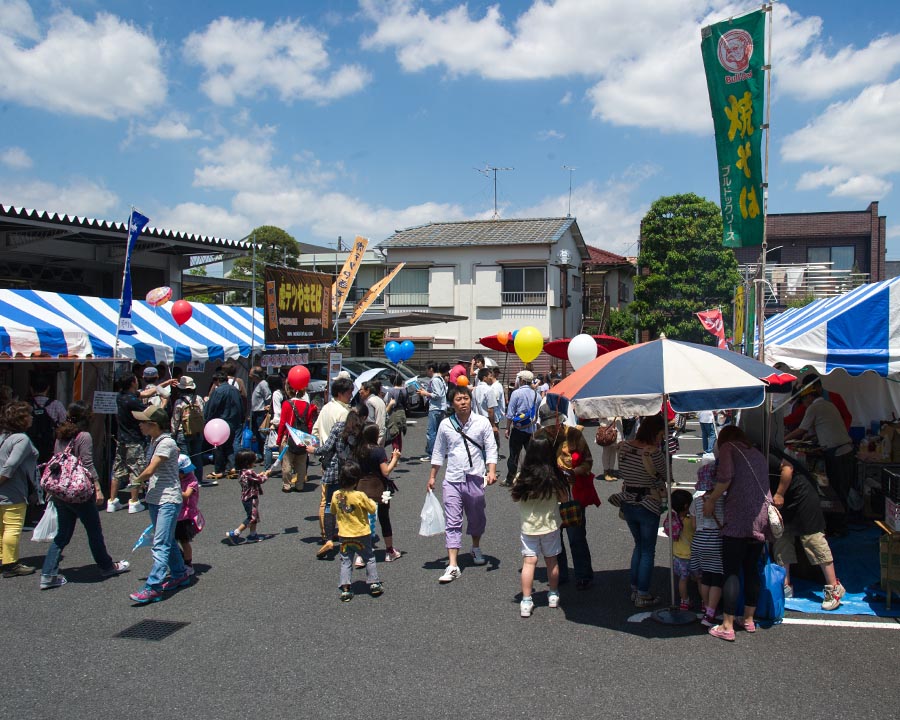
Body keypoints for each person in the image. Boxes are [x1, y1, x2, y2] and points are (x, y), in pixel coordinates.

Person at [39, 402, 131, 589]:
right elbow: (87, 463)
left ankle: (48, 574)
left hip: (61, 491)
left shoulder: (61, 435)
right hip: (79, 492)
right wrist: (97, 487)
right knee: (94, 531)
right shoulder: (84, 436)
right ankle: (106, 566)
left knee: (62, 535)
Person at [701, 425, 770, 641]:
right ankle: (748, 619)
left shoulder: (728, 448)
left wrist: (711, 499)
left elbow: (726, 477)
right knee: (751, 569)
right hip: (760, 517)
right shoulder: (757, 452)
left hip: (738, 517)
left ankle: (727, 624)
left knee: (731, 571)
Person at [427, 385, 498, 583]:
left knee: (476, 517)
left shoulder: (481, 422)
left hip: (475, 477)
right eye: (458, 399)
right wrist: (433, 476)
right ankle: (452, 565)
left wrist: (491, 471)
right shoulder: (445, 424)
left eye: (465, 398)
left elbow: (491, 448)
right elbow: (439, 451)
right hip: (452, 478)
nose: (463, 402)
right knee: (453, 521)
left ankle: (475, 547)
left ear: (470, 400)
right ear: (452, 403)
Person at [128, 407, 191, 604]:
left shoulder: (166, 443)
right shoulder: (155, 442)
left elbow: (151, 469)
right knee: (168, 540)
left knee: (161, 543)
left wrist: (135, 482)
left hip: (167, 499)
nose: (140, 424)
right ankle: (180, 573)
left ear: (154, 424)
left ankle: (153, 586)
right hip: (156, 498)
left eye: (143, 421)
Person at [534, 403, 595, 590]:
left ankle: (583, 575)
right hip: (549, 495)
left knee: (576, 536)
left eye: (556, 423)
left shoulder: (573, 434)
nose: (553, 427)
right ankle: (559, 573)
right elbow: (531, 466)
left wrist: (574, 471)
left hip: (571, 492)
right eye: (549, 424)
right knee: (554, 537)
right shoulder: (538, 438)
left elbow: (588, 461)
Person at [772, 455, 846, 610]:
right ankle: (785, 585)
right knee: (782, 538)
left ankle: (834, 587)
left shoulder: (765, 452)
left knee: (813, 539)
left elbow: (787, 467)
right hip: (785, 501)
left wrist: (779, 493)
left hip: (802, 496)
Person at [511, 434, 569, 617]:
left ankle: (526, 600)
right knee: (552, 560)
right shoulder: (553, 477)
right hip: (550, 525)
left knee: (529, 562)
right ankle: (553, 594)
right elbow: (564, 498)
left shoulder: (522, 477)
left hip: (528, 527)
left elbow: (515, 496)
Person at [614, 413, 667, 607]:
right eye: (661, 434)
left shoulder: (624, 448)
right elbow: (666, 475)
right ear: (656, 433)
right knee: (647, 550)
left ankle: (635, 587)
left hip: (628, 501)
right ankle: (643, 593)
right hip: (648, 503)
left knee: (639, 545)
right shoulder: (654, 453)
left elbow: (624, 473)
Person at [785, 384, 855, 531]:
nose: (803, 404)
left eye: (804, 400)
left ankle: (838, 527)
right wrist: (811, 435)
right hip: (846, 449)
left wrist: (784, 439)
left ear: (809, 397)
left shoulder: (814, 408)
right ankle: (840, 524)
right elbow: (826, 426)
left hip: (837, 452)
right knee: (842, 488)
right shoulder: (829, 405)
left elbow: (801, 429)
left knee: (837, 490)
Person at [307, 408, 363, 558]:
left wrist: (313, 450)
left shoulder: (339, 427)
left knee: (329, 506)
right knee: (351, 504)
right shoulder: (360, 431)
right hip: (353, 471)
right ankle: (351, 536)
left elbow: (327, 448)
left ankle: (329, 540)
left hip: (336, 470)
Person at [331, 459, 383, 601]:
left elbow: (333, 510)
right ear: (356, 480)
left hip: (344, 534)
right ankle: (373, 583)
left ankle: (346, 588)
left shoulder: (336, 495)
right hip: (361, 533)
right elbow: (372, 509)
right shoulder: (359, 495)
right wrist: (373, 501)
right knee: (369, 558)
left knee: (346, 560)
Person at [311, 376, 354, 547]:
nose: (351, 395)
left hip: (324, 458)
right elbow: (345, 440)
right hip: (339, 460)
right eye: (349, 392)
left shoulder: (326, 407)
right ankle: (337, 532)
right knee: (341, 498)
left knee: (326, 498)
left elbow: (315, 429)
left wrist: (319, 446)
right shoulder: (344, 413)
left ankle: (325, 534)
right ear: (341, 393)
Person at [0, 401, 39, 577]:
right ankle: (10, 564)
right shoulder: (22, 439)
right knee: (13, 527)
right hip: (13, 489)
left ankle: (3, 557)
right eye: (29, 414)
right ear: (22, 419)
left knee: (2, 528)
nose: (31, 417)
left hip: (5, 490)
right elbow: (11, 465)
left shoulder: (3, 436)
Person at [354, 423, 402, 562]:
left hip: (361, 487)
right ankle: (389, 551)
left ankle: (360, 554)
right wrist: (395, 458)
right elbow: (385, 471)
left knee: (362, 521)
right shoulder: (378, 451)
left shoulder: (357, 450)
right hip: (378, 488)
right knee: (384, 518)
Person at [691, 460, 725, 627]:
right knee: (716, 578)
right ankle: (711, 611)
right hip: (715, 541)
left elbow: (694, 525)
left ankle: (705, 606)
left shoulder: (697, 501)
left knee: (705, 577)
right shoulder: (723, 501)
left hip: (699, 540)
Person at [276, 385, 317, 492]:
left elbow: (282, 424)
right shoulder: (307, 405)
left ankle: (287, 485)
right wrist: (309, 440)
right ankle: (299, 485)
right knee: (302, 463)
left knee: (287, 463)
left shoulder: (287, 404)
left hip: (289, 436)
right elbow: (309, 424)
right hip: (303, 438)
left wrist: (279, 439)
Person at [204, 371, 244, 480]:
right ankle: (232, 468)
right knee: (230, 445)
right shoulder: (235, 390)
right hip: (234, 422)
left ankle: (219, 470)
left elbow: (212, 408)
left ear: (217, 381)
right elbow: (241, 405)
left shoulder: (218, 391)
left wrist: (207, 420)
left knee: (218, 446)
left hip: (220, 422)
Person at [504, 370, 541, 486]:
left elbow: (510, 414)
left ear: (522, 380)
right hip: (531, 430)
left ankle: (510, 479)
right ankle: (533, 479)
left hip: (518, 430)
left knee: (514, 455)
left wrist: (507, 428)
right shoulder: (537, 395)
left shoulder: (516, 393)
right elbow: (537, 415)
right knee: (532, 456)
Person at [226, 450, 270, 545]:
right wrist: (266, 475)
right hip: (250, 498)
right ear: (248, 463)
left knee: (254, 516)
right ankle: (235, 533)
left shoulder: (243, 471)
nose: (255, 462)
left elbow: (254, 478)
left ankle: (253, 535)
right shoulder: (249, 472)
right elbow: (259, 480)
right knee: (251, 518)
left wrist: (260, 474)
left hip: (247, 497)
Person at [171, 376, 208, 486]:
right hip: (197, 430)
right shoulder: (199, 399)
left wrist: (173, 433)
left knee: (185, 458)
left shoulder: (179, 401)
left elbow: (175, 419)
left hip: (184, 431)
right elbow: (203, 414)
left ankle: (187, 481)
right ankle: (198, 480)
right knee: (197, 456)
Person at [663, 489, 696, 611]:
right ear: (687, 505)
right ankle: (705, 603)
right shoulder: (690, 522)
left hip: (678, 555)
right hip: (692, 555)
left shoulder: (673, 520)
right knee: (699, 579)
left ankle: (684, 601)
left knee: (683, 579)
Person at [27, 375, 66, 464]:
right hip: (50, 445)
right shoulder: (57, 404)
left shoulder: (26, 405)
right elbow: (64, 424)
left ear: (31, 389)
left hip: (30, 445)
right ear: (48, 388)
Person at [175, 454, 202, 571]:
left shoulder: (192, 481)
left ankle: (188, 564)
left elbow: (186, 496)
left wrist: (174, 486)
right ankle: (178, 559)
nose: (184, 474)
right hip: (175, 514)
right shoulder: (177, 479)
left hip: (185, 516)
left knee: (184, 541)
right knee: (170, 541)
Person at [418, 362, 449, 462]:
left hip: (435, 408)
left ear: (431, 369)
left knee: (431, 432)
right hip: (441, 408)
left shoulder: (435, 379)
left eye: (427, 369)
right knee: (438, 432)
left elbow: (437, 394)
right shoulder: (441, 379)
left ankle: (432, 454)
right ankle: (439, 453)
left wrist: (425, 393)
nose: (426, 372)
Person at [264, 375, 285, 472]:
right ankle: (286, 467)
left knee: (268, 447)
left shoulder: (276, 393)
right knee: (282, 446)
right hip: (285, 422)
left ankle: (267, 469)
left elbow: (278, 411)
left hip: (278, 423)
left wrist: (274, 423)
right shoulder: (284, 392)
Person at [249, 366, 271, 457]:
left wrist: (267, 407)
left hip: (261, 412)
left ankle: (265, 455)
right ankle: (260, 454)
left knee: (262, 435)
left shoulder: (263, 384)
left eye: (251, 373)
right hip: (255, 412)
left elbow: (268, 396)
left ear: (255, 375)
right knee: (257, 435)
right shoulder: (255, 384)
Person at [383, 374, 409, 455]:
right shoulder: (405, 390)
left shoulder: (391, 391)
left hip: (394, 413)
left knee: (394, 434)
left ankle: (395, 455)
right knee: (399, 434)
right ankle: (399, 453)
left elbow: (387, 401)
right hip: (402, 412)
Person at [360, 379, 387, 445]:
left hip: (373, 435)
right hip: (382, 432)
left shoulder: (369, 402)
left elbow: (370, 421)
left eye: (361, 390)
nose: (359, 392)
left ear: (368, 390)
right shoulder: (379, 399)